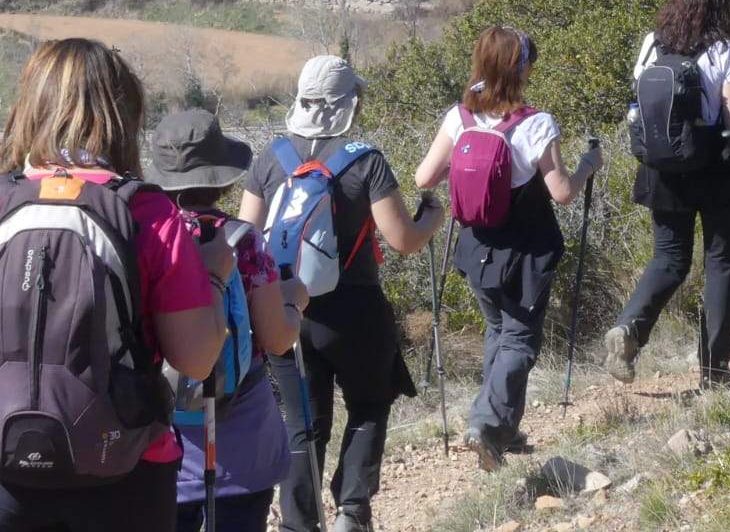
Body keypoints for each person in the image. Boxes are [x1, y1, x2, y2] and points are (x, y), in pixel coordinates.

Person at [0, 39, 233, 532]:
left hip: (7, 466)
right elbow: (196, 359)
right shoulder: (147, 212)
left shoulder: (4, 203)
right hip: (126, 469)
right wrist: (213, 274)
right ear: (120, 114)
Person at [238, 56, 446, 532]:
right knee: (369, 405)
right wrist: (433, 217)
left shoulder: (271, 158)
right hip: (355, 309)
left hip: (286, 311)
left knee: (302, 425)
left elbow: (245, 240)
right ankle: (352, 510)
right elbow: (403, 239)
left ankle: (298, 523)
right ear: (349, 103)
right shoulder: (365, 160)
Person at [413, 27, 602, 473]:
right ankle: (486, 423)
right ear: (522, 69)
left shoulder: (460, 117)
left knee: (499, 330)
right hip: (524, 251)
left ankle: (502, 428)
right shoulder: (535, 123)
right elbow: (562, 192)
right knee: (520, 338)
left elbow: (423, 177)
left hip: (476, 247)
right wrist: (587, 166)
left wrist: (465, 171)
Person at [603, 0, 730, 390]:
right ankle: (715, 370)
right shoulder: (724, 51)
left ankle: (630, 327)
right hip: (715, 169)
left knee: (669, 259)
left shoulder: (652, 44)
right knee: (721, 263)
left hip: (662, 169)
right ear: (721, 5)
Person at [145, 109, 311, 532]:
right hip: (242, 446)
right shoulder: (243, 241)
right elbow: (276, 338)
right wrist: (294, 303)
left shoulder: (145, 239)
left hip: (162, 445)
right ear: (223, 178)